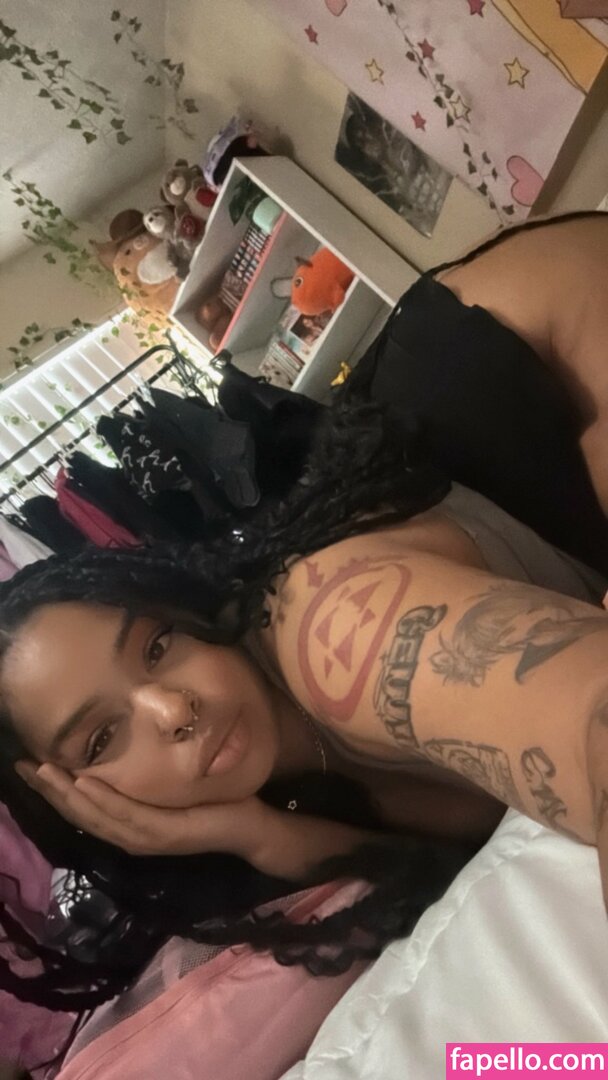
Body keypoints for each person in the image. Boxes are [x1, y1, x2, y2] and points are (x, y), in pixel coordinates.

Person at [1, 209, 608, 1020]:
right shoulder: (287, 792)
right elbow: (457, 850)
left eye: (157, 645)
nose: (173, 709)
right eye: (104, 738)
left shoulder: (331, 632)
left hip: (566, 341)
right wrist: (253, 833)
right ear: (76, 801)